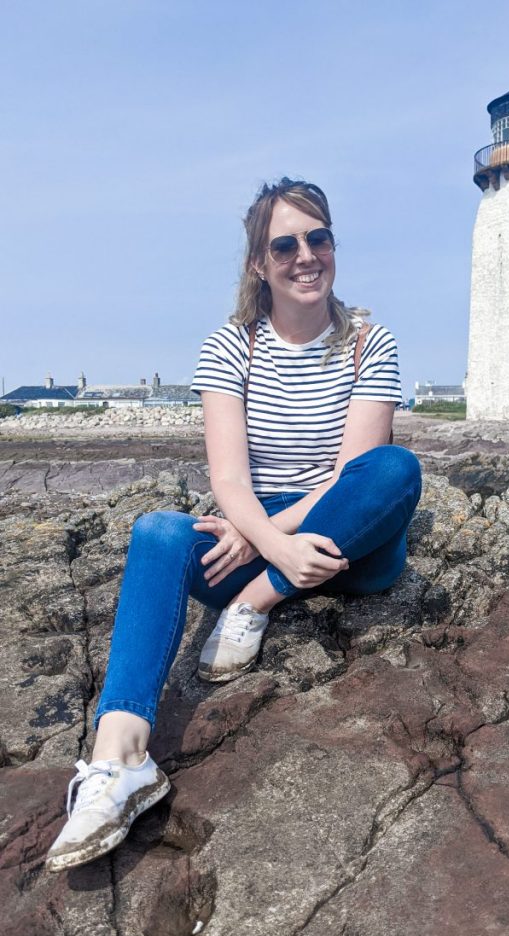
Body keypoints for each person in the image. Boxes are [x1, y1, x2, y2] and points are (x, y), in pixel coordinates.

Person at [46, 178, 421, 872]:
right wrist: (261, 531)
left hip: (351, 544)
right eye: (285, 244)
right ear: (259, 264)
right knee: (158, 531)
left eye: (319, 238)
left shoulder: (370, 339)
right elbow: (229, 481)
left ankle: (260, 603)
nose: (306, 256)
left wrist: (266, 560)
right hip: (264, 525)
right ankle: (120, 759)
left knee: (397, 469)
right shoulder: (231, 347)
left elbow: (354, 471)